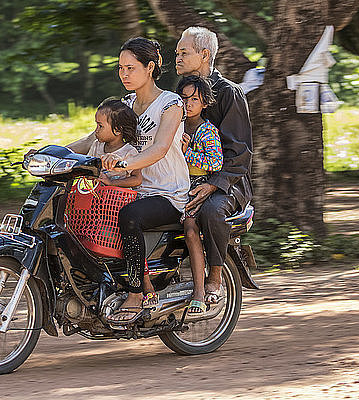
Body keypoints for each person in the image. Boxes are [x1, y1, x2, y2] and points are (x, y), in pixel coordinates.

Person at [68, 37, 190, 324]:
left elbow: (159, 148)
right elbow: (92, 138)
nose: (124, 74)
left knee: (129, 218)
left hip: (165, 193)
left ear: (150, 68)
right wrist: (54, 152)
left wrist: (123, 163)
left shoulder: (170, 104)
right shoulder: (125, 104)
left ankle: (137, 292)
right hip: (130, 190)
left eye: (130, 68)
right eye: (120, 68)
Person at [175, 27, 253, 303]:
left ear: (204, 55)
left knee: (210, 211)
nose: (178, 58)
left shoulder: (230, 93)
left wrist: (213, 184)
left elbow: (240, 153)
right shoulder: (178, 94)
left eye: (184, 52)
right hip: (185, 177)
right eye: (177, 53)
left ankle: (216, 276)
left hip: (228, 182)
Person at [176, 75, 223, 314]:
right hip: (173, 185)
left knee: (191, 229)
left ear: (204, 102)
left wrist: (187, 154)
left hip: (196, 187)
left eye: (194, 99)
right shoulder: (175, 125)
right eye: (184, 98)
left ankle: (199, 291)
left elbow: (215, 163)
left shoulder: (207, 131)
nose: (188, 103)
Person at [88, 99, 142, 189]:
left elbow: (137, 179)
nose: (96, 130)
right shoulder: (96, 146)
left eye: (100, 126)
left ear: (117, 130)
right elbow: (89, 168)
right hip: (98, 196)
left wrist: (111, 182)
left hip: (118, 200)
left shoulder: (129, 152)